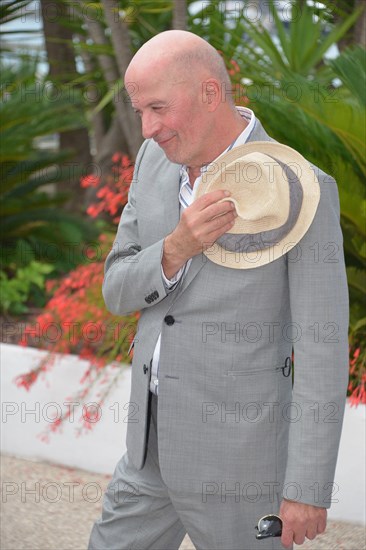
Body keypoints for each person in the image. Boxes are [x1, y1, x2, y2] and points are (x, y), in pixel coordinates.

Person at [88, 30, 349, 550]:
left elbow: (323, 345)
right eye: (140, 111)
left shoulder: (303, 187)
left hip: (243, 469)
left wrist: (306, 489)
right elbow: (116, 290)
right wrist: (174, 249)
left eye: (158, 108)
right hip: (148, 454)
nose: (148, 128)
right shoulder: (152, 162)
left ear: (210, 92)